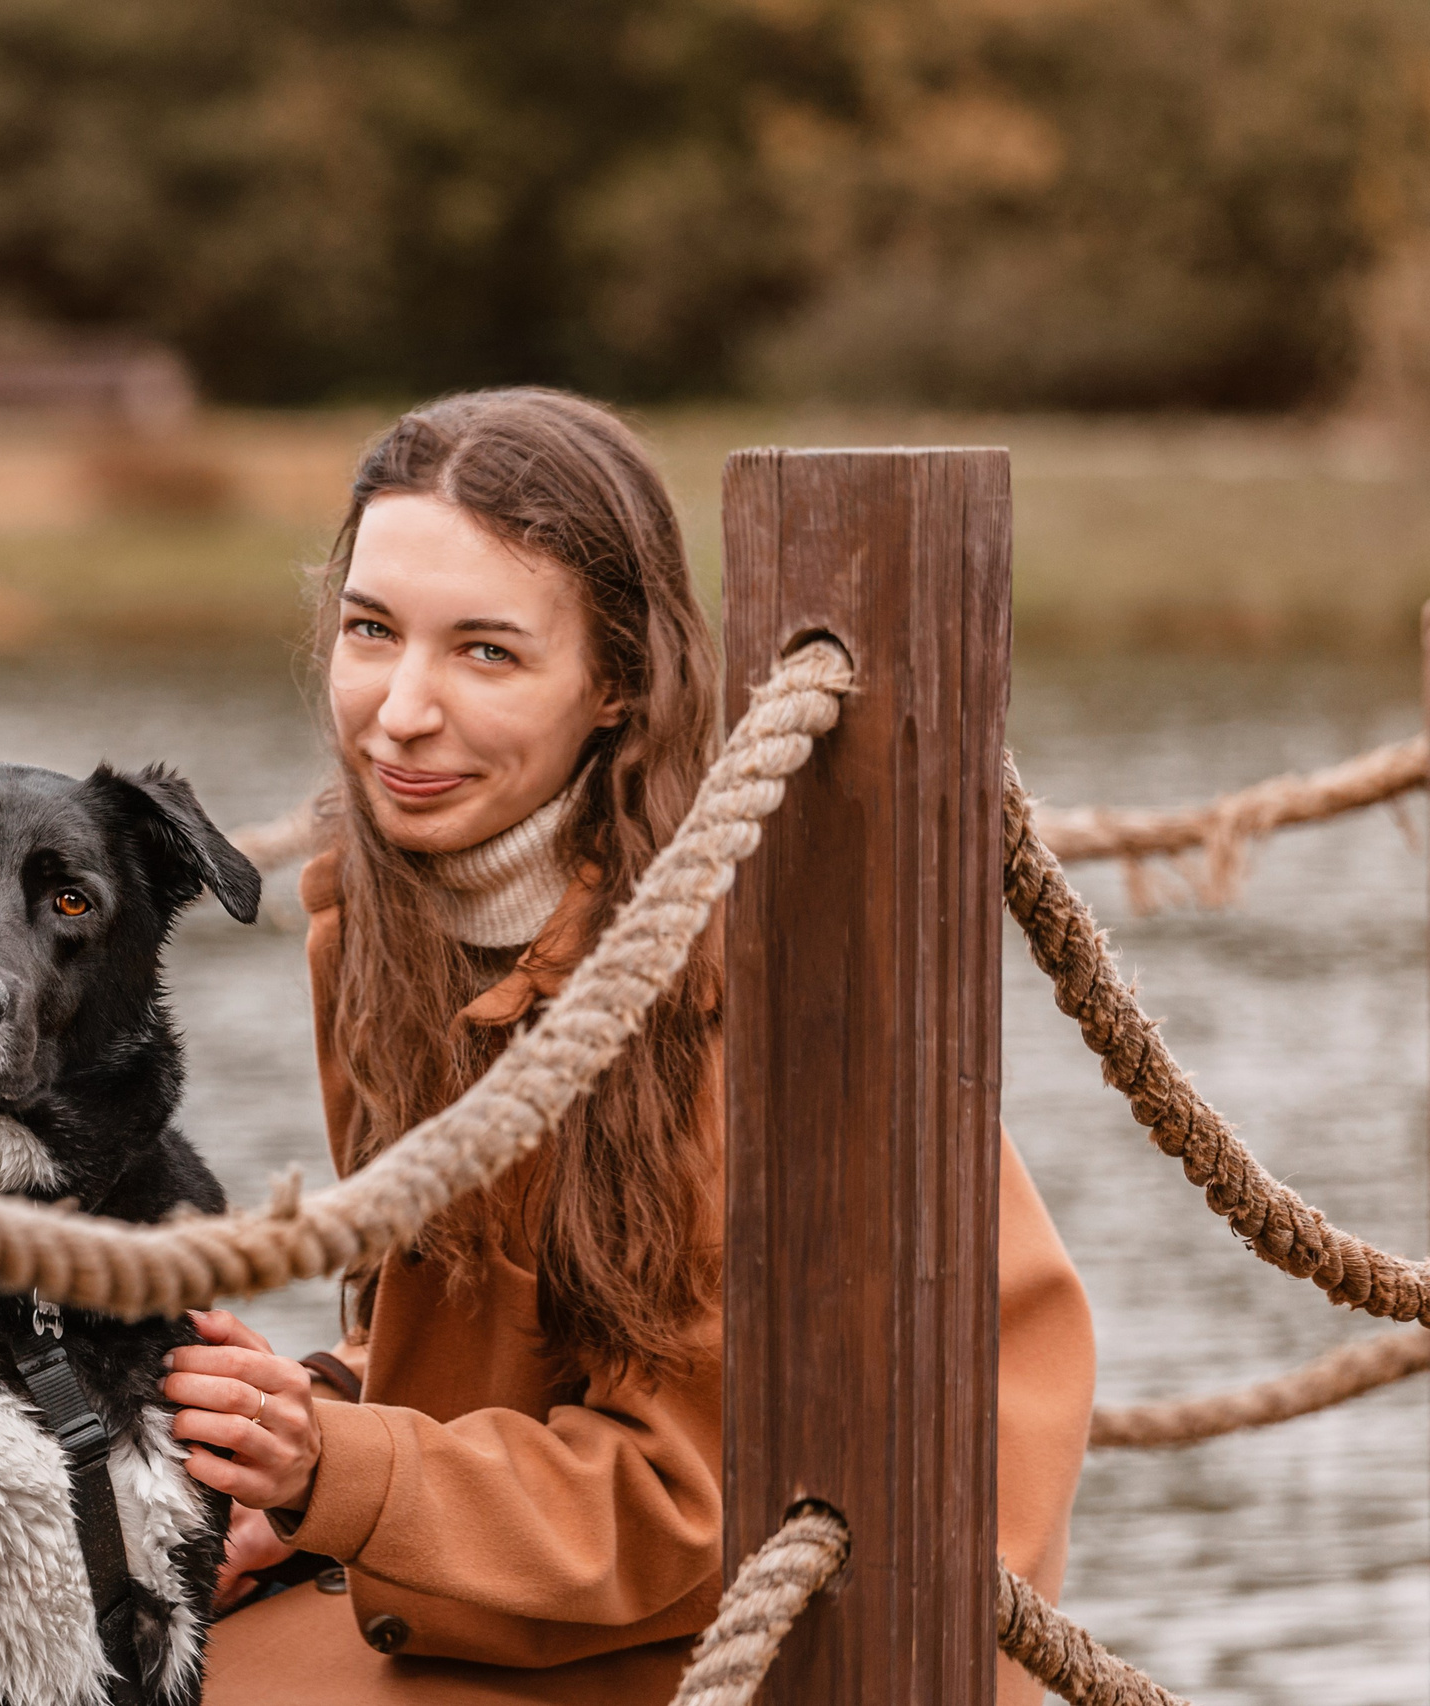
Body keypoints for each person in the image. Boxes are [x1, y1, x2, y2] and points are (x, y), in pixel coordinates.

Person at [160, 389, 1095, 1705]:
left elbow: (699, 1494)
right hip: (549, 1558)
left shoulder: (731, 981)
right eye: (372, 630)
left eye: (486, 652)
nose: (400, 712)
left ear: (614, 682)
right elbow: (503, 1331)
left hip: (831, 1599)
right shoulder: (373, 924)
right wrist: (290, 1442)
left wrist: (339, 1470)